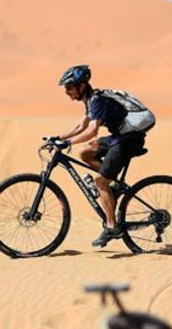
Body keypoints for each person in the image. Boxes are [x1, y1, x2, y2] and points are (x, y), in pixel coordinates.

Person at [52, 64, 148, 248]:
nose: (67, 92)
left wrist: (68, 143)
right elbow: (80, 127)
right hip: (118, 137)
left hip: (128, 139)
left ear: (81, 86)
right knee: (85, 152)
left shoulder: (97, 100)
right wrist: (58, 138)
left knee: (99, 182)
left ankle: (112, 226)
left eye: (69, 87)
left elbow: (92, 131)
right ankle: (112, 185)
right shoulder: (91, 101)